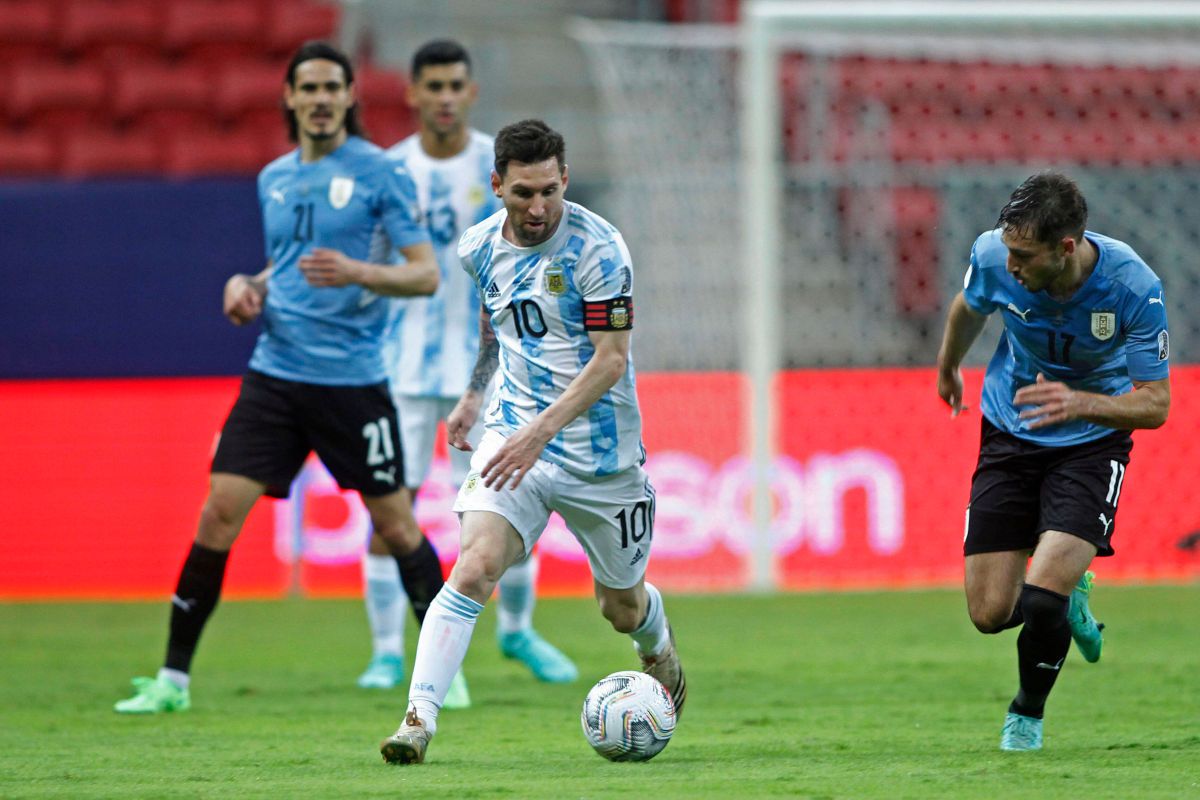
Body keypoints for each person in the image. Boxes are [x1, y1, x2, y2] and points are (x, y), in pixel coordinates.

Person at [114, 41, 447, 714]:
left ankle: (445, 671)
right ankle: (172, 682)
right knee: (217, 514)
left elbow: (424, 273)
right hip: (274, 376)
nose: (321, 99)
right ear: (290, 99)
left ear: (350, 97)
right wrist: (247, 285)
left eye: (333, 88)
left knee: (397, 527)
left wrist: (359, 273)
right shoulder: (274, 178)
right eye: (309, 89)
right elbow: (288, 263)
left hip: (352, 381)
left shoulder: (381, 174)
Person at [378, 119, 686, 764]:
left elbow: (609, 360)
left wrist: (539, 432)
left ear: (565, 179)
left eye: (550, 190)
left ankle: (657, 646)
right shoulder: (478, 246)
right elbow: (498, 323)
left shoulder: (601, 250)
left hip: (601, 460)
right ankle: (416, 722)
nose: (539, 206)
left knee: (620, 607)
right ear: (497, 186)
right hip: (513, 436)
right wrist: (474, 395)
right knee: (475, 566)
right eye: (523, 193)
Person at [356, 41, 577, 701]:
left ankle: (517, 631)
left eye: (457, 84)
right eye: (435, 86)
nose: (446, 96)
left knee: (502, 506)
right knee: (390, 509)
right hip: (399, 369)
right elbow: (367, 271)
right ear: (414, 94)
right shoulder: (390, 171)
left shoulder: (503, 168)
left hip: (489, 373)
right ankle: (387, 653)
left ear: (471, 92)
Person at [936, 171, 1171, 751]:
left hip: (1092, 442)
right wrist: (948, 367)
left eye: (1025, 256)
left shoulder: (1133, 288)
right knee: (989, 613)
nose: (1011, 266)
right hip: (1010, 431)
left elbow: (1156, 403)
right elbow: (969, 307)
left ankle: (1026, 717)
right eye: (1008, 251)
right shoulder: (993, 257)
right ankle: (1069, 599)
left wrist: (1082, 403)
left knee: (1042, 599)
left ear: (1065, 248)